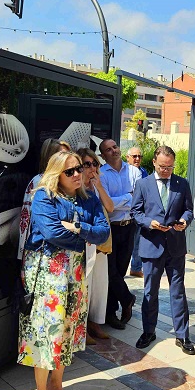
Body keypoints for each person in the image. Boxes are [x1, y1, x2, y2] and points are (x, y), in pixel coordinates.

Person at [18, 151, 109, 390]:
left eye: (79, 168)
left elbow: (103, 232)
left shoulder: (88, 197)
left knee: (67, 331)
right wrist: (84, 238)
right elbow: (51, 233)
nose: (78, 174)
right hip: (48, 274)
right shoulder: (44, 196)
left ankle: (57, 386)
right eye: (70, 171)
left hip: (75, 275)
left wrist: (78, 227)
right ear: (57, 174)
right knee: (46, 334)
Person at [131, 145, 195, 353]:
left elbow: (188, 210)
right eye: (162, 167)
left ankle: (182, 335)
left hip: (175, 246)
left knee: (178, 291)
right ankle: (148, 332)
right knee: (151, 291)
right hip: (152, 245)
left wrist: (184, 221)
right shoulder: (143, 184)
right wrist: (149, 223)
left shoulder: (182, 183)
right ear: (154, 163)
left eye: (170, 167)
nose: (166, 171)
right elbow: (135, 212)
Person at [99, 138, 141, 329]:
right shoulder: (101, 174)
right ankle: (127, 299)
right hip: (111, 228)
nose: (114, 150)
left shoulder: (134, 172)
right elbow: (107, 205)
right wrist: (127, 197)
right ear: (103, 155)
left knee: (120, 272)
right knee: (110, 272)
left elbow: (139, 200)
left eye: (115, 146)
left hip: (129, 226)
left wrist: (117, 201)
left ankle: (112, 312)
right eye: (108, 149)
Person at [78, 147, 114, 342]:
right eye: (87, 164)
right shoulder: (76, 187)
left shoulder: (97, 187)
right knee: (86, 286)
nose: (92, 168)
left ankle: (95, 323)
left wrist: (99, 187)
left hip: (101, 243)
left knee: (100, 285)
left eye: (95, 164)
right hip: (85, 242)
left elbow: (110, 207)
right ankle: (82, 327)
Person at [17, 139, 72, 263]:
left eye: (69, 154)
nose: (67, 158)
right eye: (62, 155)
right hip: (41, 251)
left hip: (67, 250)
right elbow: (26, 219)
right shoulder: (39, 181)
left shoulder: (71, 181)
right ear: (50, 158)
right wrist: (23, 252)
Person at [127, 146, 148, 278]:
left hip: (141, 212)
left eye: (139, 156)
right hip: (126, 213)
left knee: (138, 241)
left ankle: (136, 268)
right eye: (134, 156)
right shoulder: (125, 172)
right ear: (127, 158)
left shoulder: (144, 172)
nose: (137, 159)